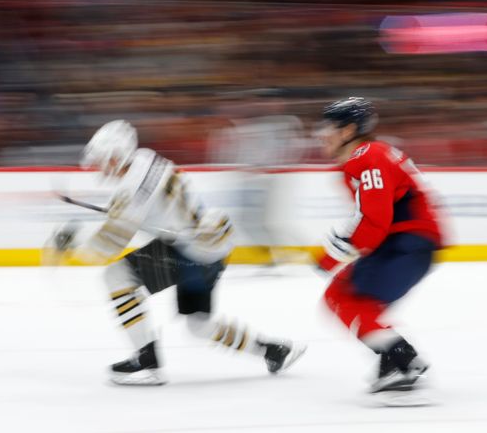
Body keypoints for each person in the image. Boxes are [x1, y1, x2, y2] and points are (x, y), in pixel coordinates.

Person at [44, 120, 306, 385]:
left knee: (116, 276)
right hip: (208, 245)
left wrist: (70, 244)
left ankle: (147, 361)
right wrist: (123, 213)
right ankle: (273, 350)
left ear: (117, 154)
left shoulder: (132, 188)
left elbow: (105, 247)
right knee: (199, 325)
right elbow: (143, 208)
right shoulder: (145, 159)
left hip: (191, 252)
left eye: (103, 159)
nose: (100, 166)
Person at [315, 98, 442, 403]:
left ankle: (403, 361)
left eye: (328, 127)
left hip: (407, 244)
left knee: (345, 298)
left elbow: (373, 218)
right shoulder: (368, 156)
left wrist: (331, 256)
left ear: (347, 130)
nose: (321, 134)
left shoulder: (368, 156)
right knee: (342, 296)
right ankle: (394, 359)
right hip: (404, 243)